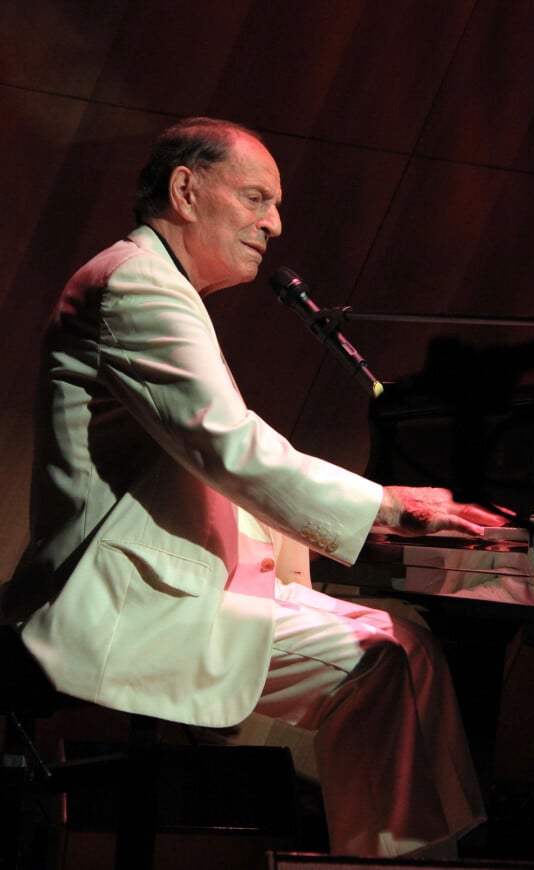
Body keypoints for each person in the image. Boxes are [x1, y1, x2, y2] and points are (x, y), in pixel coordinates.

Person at [2, 117, 507, 858]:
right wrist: (393, 507)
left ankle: (418, 861)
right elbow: (230, 447)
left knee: (410, 645)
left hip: (180, 582)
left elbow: (226, 449)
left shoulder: (156, 286)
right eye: (256, 199)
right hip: (117, 603)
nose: (275, 223)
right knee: (385, 662)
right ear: (184, 189)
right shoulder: (136, 286)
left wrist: (380, 519)